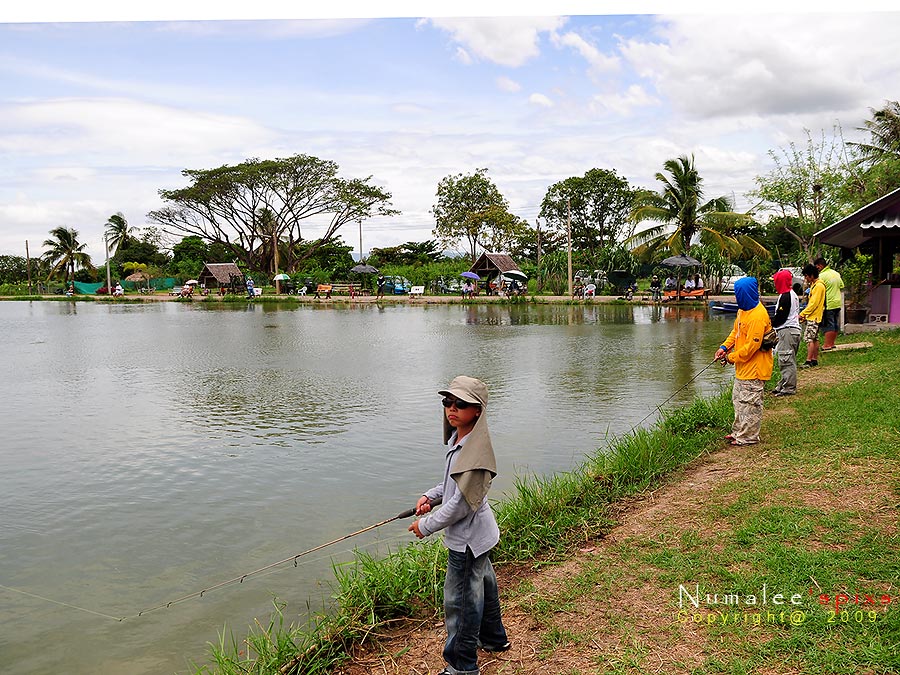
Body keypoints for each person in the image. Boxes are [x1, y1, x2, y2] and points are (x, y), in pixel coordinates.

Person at [409, 376, 510, 675]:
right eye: (447, 402)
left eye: (460, 404)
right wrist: (430, 496)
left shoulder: (475, 454)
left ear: (477, 410)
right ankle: (494, 639)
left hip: (468, 540)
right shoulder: (460, 441)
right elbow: (450, 487)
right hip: (480, 536)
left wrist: (426, 525)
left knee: (460, 604)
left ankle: (462, 666)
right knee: (483, 588)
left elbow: (461, 505)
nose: (451, 409)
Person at [713, 277, 774, 446]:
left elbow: (750, 349)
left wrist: (731, 357)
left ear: (747, 293)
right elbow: (736, 332)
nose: (737, 297)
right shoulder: (742, 311)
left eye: (739, 294)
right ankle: (739, 431)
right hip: (742, 369)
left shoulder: (758, 316)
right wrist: (724, 348)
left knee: (750, 404)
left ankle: (748, 437)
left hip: (755, 368)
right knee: (738, 401)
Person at [770, 269, 801, 397]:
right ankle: (783, 384)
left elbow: (781, 317)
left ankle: (788, 388)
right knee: (786, 359)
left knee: (786, 360)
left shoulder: (786, 296)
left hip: (787, 331)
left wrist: (769, 323)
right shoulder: (791, 293)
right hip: (792, 331)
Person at [798, 263, 826, 368]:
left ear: (812, 275)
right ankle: (814, 359)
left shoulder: (818, 286)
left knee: (809, 339)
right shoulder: (815, 285)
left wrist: (802, 314)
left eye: (806, 276)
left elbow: (813, 304)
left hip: (814, 317)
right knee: (815, 338)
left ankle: (809, 360)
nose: (806, 278)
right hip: (815, 316)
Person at [814, 257, 844, 351]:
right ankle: (832, 343)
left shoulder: (822, 276)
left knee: (828, 324)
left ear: (820, 266)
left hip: (828, 303)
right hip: (837, 302)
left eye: (817, 267)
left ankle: (827, 345)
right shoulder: (836, 273)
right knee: (834, 324)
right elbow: (841, 285)